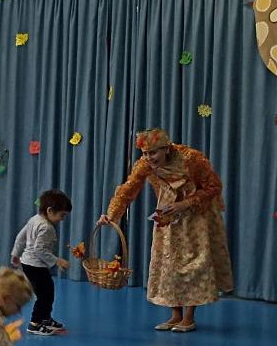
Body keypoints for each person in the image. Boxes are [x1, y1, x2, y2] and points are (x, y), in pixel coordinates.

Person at [98, 128, 233, 332]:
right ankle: (175, 315)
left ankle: (189, 317)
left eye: (153, 153)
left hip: (195, 214)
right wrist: (110, 214)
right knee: (168, 262)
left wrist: (185, 204)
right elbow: (127, 190)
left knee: (193, 263)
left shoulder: (191, 159)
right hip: (168, 213)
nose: (149, 158)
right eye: (145, 153)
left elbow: (214, 187)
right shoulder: (145, 164)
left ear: (166, 149)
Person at [11, 189, 72, 335]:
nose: (62, 219)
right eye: (62, 215)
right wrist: (57, 261)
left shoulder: (34, 219)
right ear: (50, 210)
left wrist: (15, 253)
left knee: (47, 292)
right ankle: (35, 323)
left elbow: (20, 237)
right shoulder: (47, 227)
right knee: (45, 295)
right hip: (35, 265)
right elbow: (39, 250)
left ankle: (45, 318)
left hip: (28, 264)